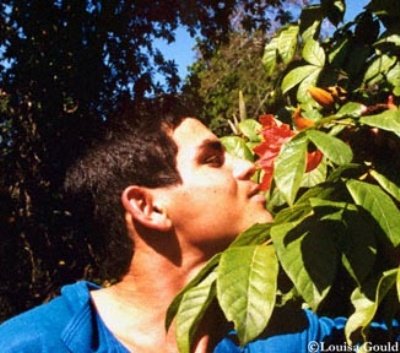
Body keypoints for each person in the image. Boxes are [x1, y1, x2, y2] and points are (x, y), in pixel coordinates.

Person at [0, 106, 397, 353]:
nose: (247, 167)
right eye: (212, 159)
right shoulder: (31, 344)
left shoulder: (282, 337)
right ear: (147, 206)